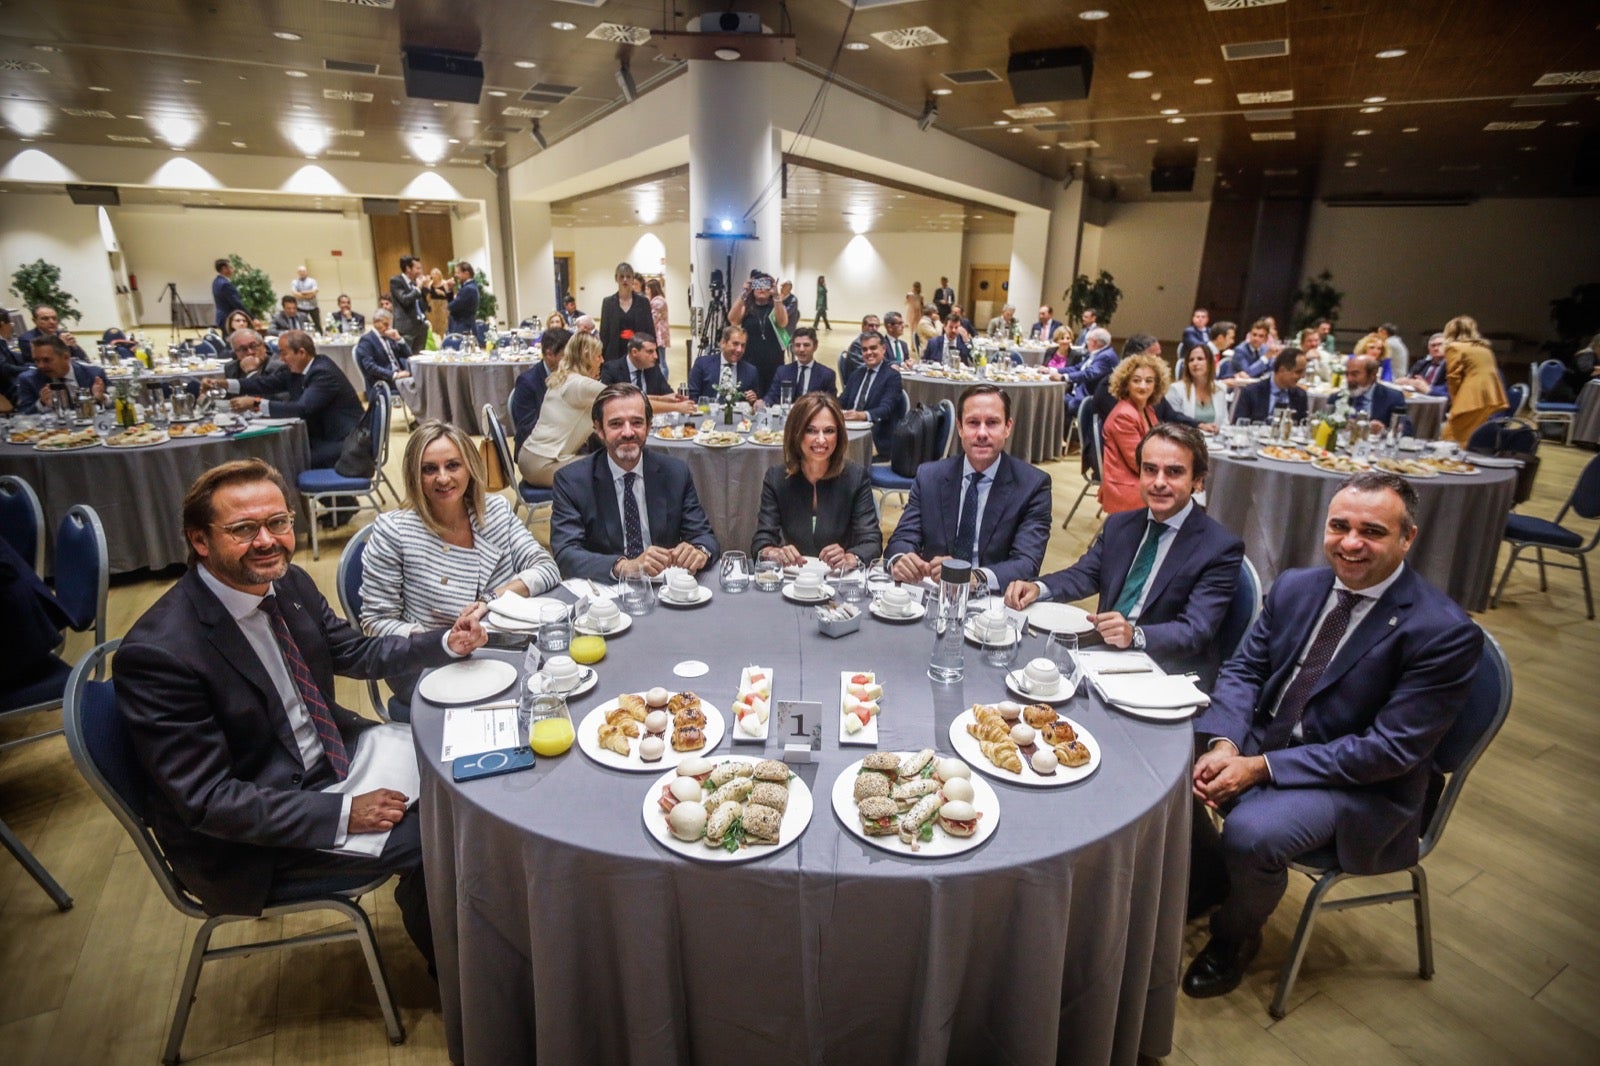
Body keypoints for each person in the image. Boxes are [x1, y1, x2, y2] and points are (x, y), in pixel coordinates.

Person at [114, 459, 488, 972]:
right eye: (244, 529)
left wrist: (445, 641)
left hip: (337, 760)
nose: (268, 541)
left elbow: (354, 653)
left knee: (468, 776)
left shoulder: (287, 586)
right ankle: (461, 983)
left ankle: (469, 933)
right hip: (256, 833)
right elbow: (207, 801)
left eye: (278, 523)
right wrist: (342, 814)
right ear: (200, 541)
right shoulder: (161, 654)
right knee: (442, 838)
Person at [1184, 472, 1481, 998]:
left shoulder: (1442, 631)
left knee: (1254, 834)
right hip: (1264, 740)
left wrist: (1260, 768)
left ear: (1408, 538)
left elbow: (1390, 750)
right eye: (1339, 526)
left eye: (1372, 531)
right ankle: (1209, 879)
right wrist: (1226, 744)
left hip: (1359, 785)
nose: (1350, 543)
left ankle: (1234, 935)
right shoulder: (1299, 585)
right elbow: (1243, 671)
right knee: (1158, 748)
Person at [1006, 423, 1243, 686]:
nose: (1159, 482)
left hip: (1167, 672)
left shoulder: (1220, 547)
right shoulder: (1121, 524)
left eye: (1174, 472)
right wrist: (1039, 587)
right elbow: (1085, 574)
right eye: (1150, 470)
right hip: (1103, 657)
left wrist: (1135, 635)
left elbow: (1195, 631)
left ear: (1198, 481)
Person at [359, 421, 560, 702]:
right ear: (414, 474)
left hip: (503, 649)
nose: (443, 478)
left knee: (555, 689)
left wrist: (489, 599)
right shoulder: (394, 531)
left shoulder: (495, 511)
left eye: (453, 465)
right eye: (430, 469)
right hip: (428, 663)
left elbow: (547, 568)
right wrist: (444, 641)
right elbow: (376, 623)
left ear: (470, 468)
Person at [887, 384, 1052, 591]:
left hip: (993, 603)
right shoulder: (930, 476)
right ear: (960, 427)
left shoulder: (1032, 485)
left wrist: (975, 577)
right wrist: (901, 559)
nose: (982, 433)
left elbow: (1027, 563)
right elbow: (902, 538)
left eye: (992, 423)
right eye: (973, 423)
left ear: (1008, 427)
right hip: (933, 595)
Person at [550, 383, 719, 582]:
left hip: (666, 589)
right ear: (599, 429)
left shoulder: (675, 472)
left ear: (648, 426)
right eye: (616, 424)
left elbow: (704, 536)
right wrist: (625, 566)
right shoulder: (572, 481)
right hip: (606, 593)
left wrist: (699, 551)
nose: (628, 432)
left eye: (637, 422)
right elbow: (566, 553)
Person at [752, 392, 881, 568]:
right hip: (794, 578)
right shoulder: (776, 478)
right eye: (811, 430)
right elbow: (762, 540)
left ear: (839, 435)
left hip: (839, 579)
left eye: (829, 431)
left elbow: (871, 542)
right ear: (796, 433)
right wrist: (772, 552)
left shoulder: (855, 477)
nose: (821, 440)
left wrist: (851, 557)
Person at [222, 331, 365, 469]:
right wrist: (224, 384)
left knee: (284, 462)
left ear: (301, 353)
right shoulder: (298, 370)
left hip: (346, 444)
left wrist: (256, 403)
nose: (280, 358)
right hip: (324, 437)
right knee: (279, 455)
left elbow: (302, 409)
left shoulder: (322, 372)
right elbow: (264, 384)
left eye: (284, 353)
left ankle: (314, 493)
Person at [516, 331, 606, 488]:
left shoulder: (562, 378)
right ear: (587, 358)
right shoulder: (580, 385)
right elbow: (627, 399)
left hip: (529, 457)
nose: (602, 361)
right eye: (598, 356)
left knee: (602, 460)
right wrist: (664, 402)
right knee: (613, 466)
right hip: (545, 463)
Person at [1099, 352, 1170, 514]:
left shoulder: (1147, 409)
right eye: (1136, 380)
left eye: (1149, 381)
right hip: (1127, 486)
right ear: (1126, 384)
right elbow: (1138, 463)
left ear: (1156, 385)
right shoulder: (1124, 415)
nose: (1143, 386)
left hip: (1141, 477)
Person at [1441, 315, 1508, 446]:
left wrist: (1456, 403)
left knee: (1451, 436)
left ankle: (1450, 463)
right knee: (1470, 435)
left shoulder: (1454, 347)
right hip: (1491, 396)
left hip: (1472, 397)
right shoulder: (1484, 349)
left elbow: (1453, 378)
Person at [840, 330, 903, 457]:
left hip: (875, 438)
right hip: (849, 429)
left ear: (883, 349)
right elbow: (842, 400)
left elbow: (886, 409)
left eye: (873, 348)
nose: (868, 353)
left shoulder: (892, 376)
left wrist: (862, 415)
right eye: (864, 349)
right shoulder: (857, 374)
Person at [728, 271, 791, 396]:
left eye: (766, 284)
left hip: (773, 361)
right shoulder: (746, 307)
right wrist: (744, 293)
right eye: (758, 284)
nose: (762, 288)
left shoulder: (776, 306)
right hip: (750, 361)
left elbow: (783, 322)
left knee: (771, 398)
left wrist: (776, 296)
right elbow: (733, 319)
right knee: (750, 396)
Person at [510, 327, 570, 451]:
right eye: (566, 356)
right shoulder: (527, 382)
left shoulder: (570, 376)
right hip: (535, 449)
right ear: (549, 354)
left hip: (564, 442)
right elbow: (527, 428)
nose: (571, 361)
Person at [601, 335, 694, 413]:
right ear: (634, 352)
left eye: (655, 351)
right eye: (650, 351)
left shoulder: (653, 367)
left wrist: (675, 399)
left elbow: (667, 394)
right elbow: (623, 402)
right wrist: (674, 406)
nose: (656, 356)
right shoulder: (611, 370)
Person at [15, 334, 107, 413]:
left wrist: (102, 398)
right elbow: (23, 415)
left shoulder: (94, 374)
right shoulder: (29, 379)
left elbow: (116, 403)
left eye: (46, 360)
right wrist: (42, 404)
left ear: (66, 357)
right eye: (36, 360)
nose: (40, 366)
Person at [1230, 348, 1308, 424]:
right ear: (1282, 370)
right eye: (1298, 372)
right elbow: (1239, 424)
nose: (1303, 376)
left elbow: (1302, 427)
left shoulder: (1300, 395)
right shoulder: (1251, 392)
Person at [598, 261, 656, 365]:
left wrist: (653, 355)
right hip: (615, 353)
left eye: (628, 276)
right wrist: (602, 357)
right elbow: (604, 333)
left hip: (638, 353)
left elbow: (650, 330)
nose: (625, 279)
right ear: (616, 278)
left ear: (633, 279)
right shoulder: (608, 302)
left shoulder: (643, 302)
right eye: (622, 276)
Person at [687, 325, 760, 404]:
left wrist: (753, 399)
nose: (739, 350)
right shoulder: (702, 364)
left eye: (743, 345)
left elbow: (753, 404)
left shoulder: (750, 371)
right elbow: (692, 397)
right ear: (723, 343)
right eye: (735, 344)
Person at [764, 326, 836, 406]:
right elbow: (772, 396)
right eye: (797, 345)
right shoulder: (783, 371)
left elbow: (831, 404)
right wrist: (764, 403)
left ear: (815, 347)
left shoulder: (826, 375)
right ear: (793, 347)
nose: (801, 349)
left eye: (806, 345)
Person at [1343, 353, 1409, 432]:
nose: (1349, 379)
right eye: (1347, 374)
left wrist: (1384, 430)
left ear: (1372, 375)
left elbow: (1407, 429)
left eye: (1354, 374)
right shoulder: (1338, 397)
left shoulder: (1393, 397)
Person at [354, 309, 412, 393]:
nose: (388, 327)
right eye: (385, 324)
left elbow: (408, 355)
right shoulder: (366, 340)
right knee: (419, 387)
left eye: (390, 324)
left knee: (423, 381)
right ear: (375, 322)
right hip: (384, 381)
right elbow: (371, 367)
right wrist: (395, 375)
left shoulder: (390, 336)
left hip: (401, 375)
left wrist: (399, 340)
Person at [1064, 326, 1116, 417]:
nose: (1086, 343)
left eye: (1087, 340)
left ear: (1094, 342)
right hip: (1080, 394)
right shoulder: (1097, 353)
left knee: (1055, 401)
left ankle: (1058, 430)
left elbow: (1089, 374)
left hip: (1088, 400)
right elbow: (1077, 368)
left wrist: (1064, 377)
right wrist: (1053, 370)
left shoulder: (1106, 356)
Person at [1167, 340, 1220, 429]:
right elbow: (1173, 423)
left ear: (1210, 363)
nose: (1195, 363)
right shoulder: (1176, 389)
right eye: (1191, 360)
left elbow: (1225, 423)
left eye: (1200, 359)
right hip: (1186, 440)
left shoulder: (1220, 389)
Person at [389, 255, 430, 354]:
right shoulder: (396, 281)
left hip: (421, 327)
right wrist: (418, 288)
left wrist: (425, 289)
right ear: (408, 269)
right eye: (418, 268)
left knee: (419, 359)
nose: (420, 271)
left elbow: (424, 306)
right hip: (406, 328)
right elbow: (405, 300)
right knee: (406, 358)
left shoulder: (416, 282)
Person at [18, 305, 88, 363]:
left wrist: (74, 346)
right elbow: (40, 364)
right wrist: (60, 345)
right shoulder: (27, 339)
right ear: (35, 321)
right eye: (45, 319)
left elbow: (84, 359)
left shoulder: (62, 334)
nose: (52, 322)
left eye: (54, 318)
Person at [842, 313, 885, 379]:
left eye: (877, 326)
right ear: (863, 327)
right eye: (871, 325)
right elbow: (863, 368)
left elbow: (885, 360)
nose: (874, 328)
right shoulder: (857, 345)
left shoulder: (877, 342)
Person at [212, 259, 249, 331]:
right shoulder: (225, 284)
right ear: (224, 269)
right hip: (228, 318)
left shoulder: (216, 281)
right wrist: (250, 317)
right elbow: (236, 303)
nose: (233, 269)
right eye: (231, 267)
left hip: (221, 317)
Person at [0, 308, 25, 406]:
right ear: (2, 324)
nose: (11, 327)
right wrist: (27, 368)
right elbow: (3, 368)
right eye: (10, 324)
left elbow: (14, 357)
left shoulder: (2, 342)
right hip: (7, 390)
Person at [446, 262, 479, 336]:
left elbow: (452, 306)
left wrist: (450, 304)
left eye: (458, 273)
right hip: (463, 325)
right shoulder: (470, 287)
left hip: (463, 327)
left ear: (466, 273)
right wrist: (450, 290)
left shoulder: (468, 289)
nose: (455, 275)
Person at [647, 277, 671, 354]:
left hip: (659, 334)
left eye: (648, 289)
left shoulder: (657, 302)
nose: (646, 291)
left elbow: (653, 319)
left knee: (661, 361)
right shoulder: (658, 300)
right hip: (660, 334)